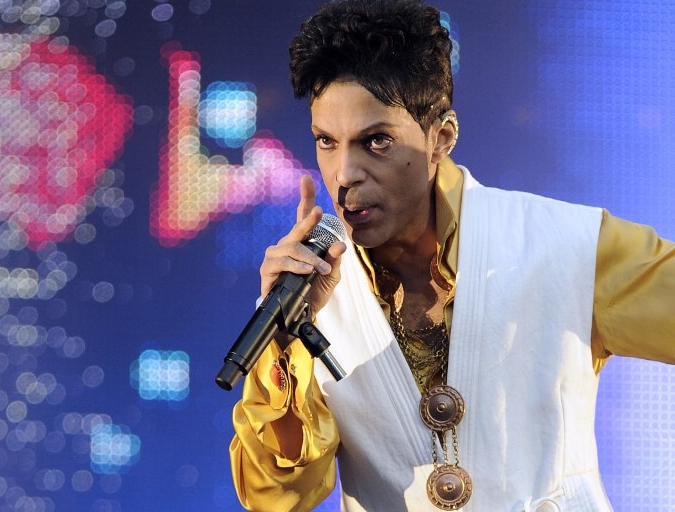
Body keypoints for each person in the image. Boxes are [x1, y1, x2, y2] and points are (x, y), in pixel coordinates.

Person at [227, 0, 675, 510]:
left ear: (441, 137)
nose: (344, 173)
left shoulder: (568, 244)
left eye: (375, 142)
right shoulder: (308, 293)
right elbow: (276, 500)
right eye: (326, 142)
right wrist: (283, 347)